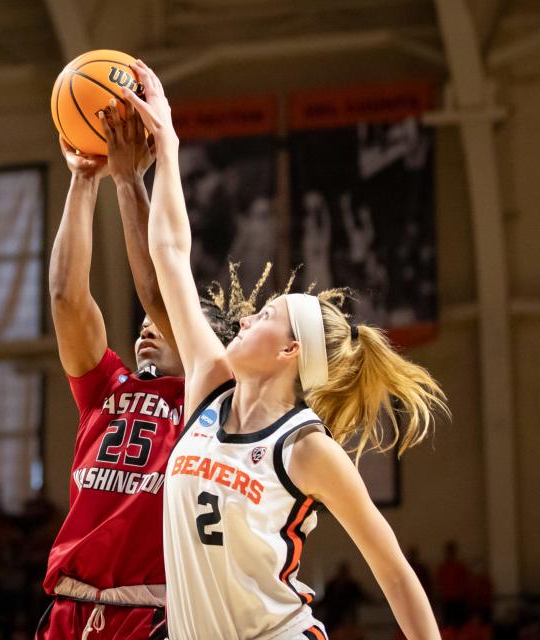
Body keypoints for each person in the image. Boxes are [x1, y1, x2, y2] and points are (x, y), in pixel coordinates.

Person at [122, 59, 449, 640]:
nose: (246, 315)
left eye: (267, 314)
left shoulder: (305, 447)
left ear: (292, 349)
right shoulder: (209, 386)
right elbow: (171, 254)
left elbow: (393, 572)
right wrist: (168, 146)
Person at [36, 102, 184, 640]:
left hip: (152, 612)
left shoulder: (209, 398)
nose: (146, 327)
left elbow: (161, 288)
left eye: (159, 324)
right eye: (142, 322)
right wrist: (84, 182)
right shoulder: (107, 386)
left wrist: (130, 182)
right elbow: (65, 298)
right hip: (69, 606)